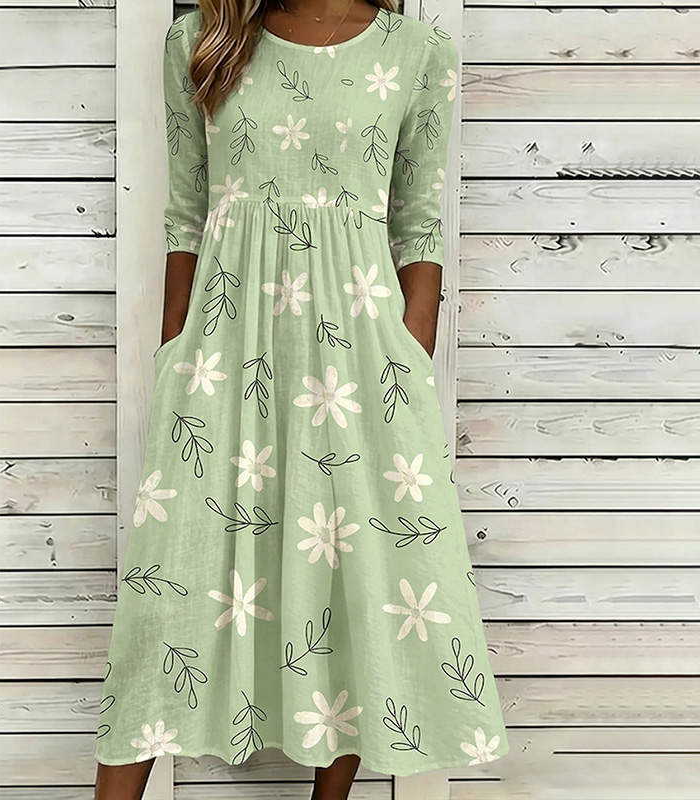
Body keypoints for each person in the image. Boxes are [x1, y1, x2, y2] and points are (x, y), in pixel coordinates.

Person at [94, 1, 509, 798]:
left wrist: (407, 354)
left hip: (361, 361)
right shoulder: (203, 38)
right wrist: (178, 355)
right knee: (168, 594)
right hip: (223, 353)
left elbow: (419, 226)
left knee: (353, 579)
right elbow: (186, 218)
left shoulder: (417, 51)